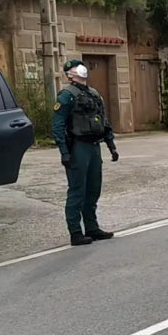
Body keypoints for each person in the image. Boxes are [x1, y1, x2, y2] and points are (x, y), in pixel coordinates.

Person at [51, 59, 119, 246]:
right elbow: (58, 126)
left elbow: (103, 121)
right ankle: (75, 232)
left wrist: (111, 145)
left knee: (93, 189)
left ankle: (92, 228)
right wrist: (64, 152)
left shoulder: (94, 94)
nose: (80, 69)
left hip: (94, 146)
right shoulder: (66, 96)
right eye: (75, 67)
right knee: (77, 191)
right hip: (78, 147)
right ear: (69, 74)